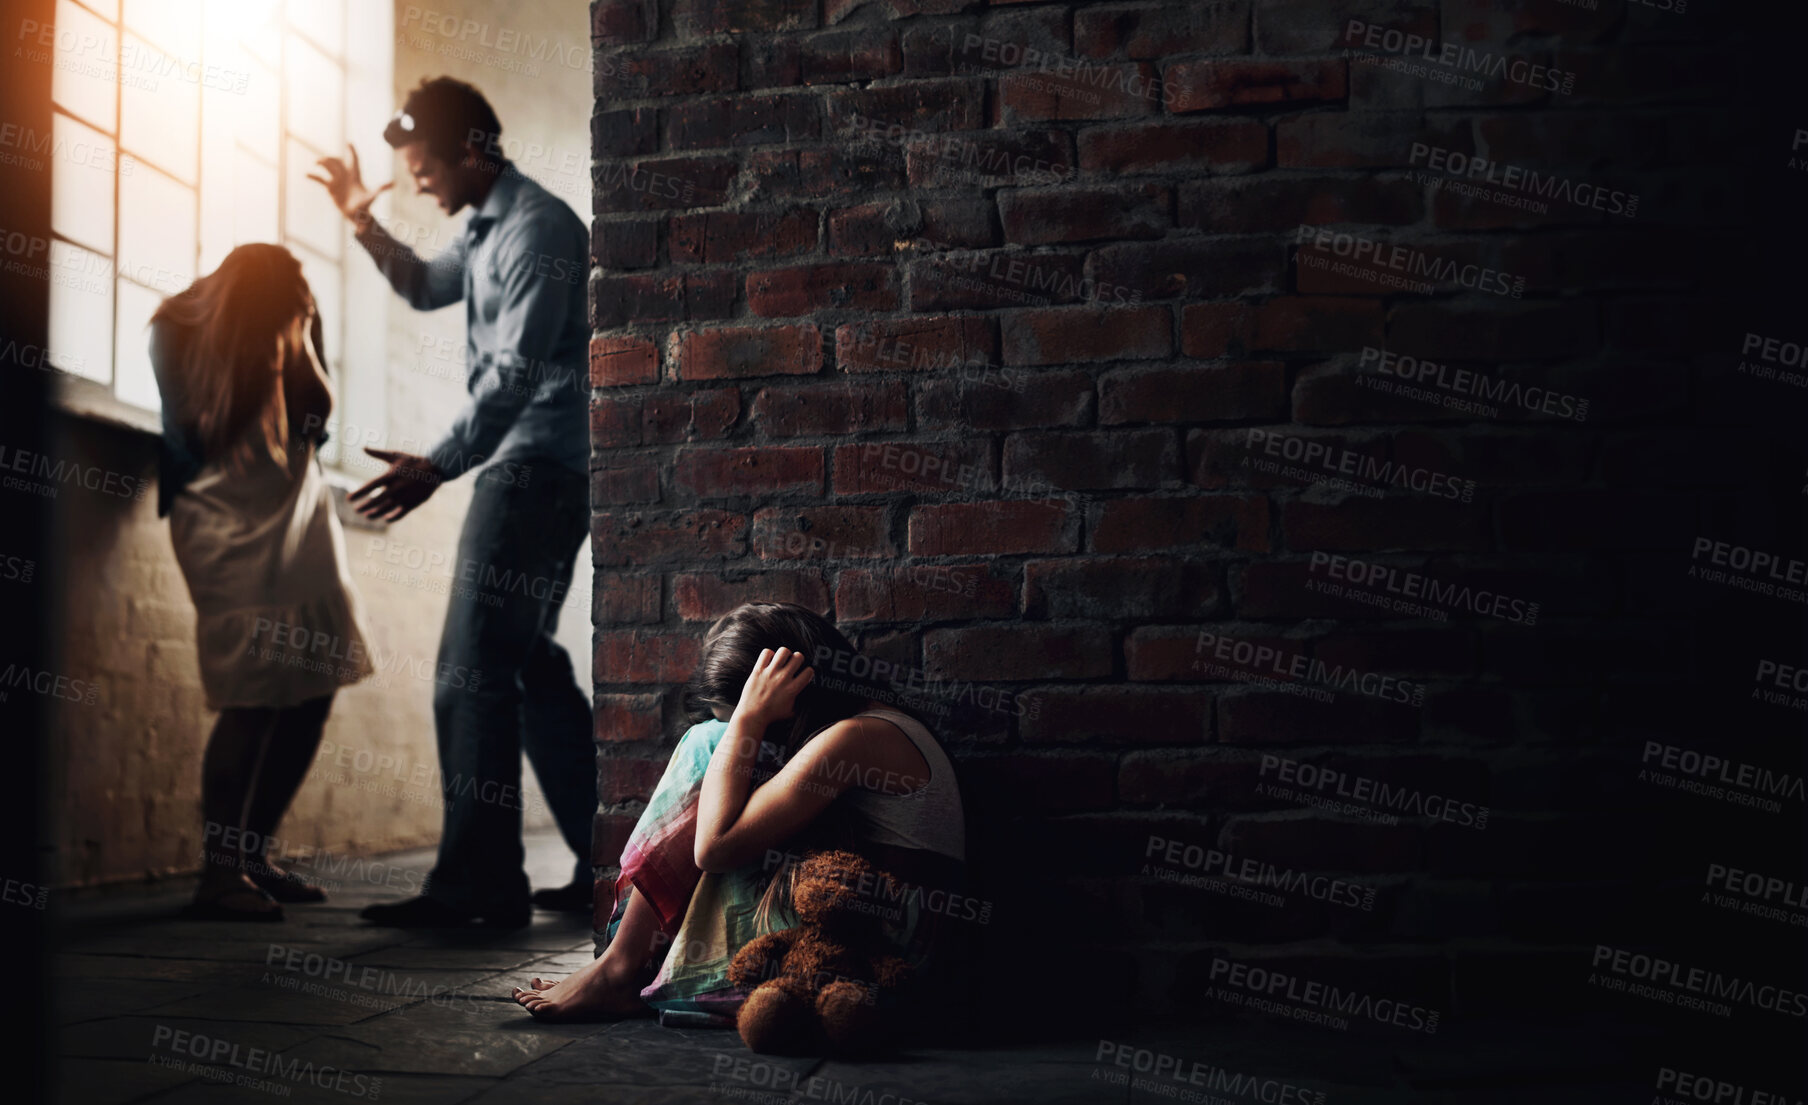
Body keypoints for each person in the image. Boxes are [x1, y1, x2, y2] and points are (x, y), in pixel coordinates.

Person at [308, 77, 595, 927]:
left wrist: (436, 463)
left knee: (468, 673)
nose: (421, 183)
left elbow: (513, 373)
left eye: (426, 167)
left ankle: (479, 887)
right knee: (527, 668)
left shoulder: (538, 229)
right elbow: (426, 285)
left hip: (533, 472)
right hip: (532, 469)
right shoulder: (485, 229)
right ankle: (610, 856)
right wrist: (362, 220)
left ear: (473, 149)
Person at [510, 602, 968, 1026]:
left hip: (877, 951)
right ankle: (624, 969)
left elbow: (715, 848)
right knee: (719, 750)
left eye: (763, 717)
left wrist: (746, 721)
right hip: (864, 934)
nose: (750, 728)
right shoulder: (869, 725)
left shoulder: (858, 737)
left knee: (707, 742)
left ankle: (619, 968)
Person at [150, 243, 374, 921]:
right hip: (222, 513)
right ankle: (217, 876)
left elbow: (317, 422)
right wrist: (259, 352)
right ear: (255, 300)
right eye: (289, 309)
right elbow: (195, 432)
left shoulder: (294, 321)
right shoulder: (177, 327)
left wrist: (301, 337)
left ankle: (252, 856)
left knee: (311, 687)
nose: (300, 316)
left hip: (297, 509)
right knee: (251, 697)